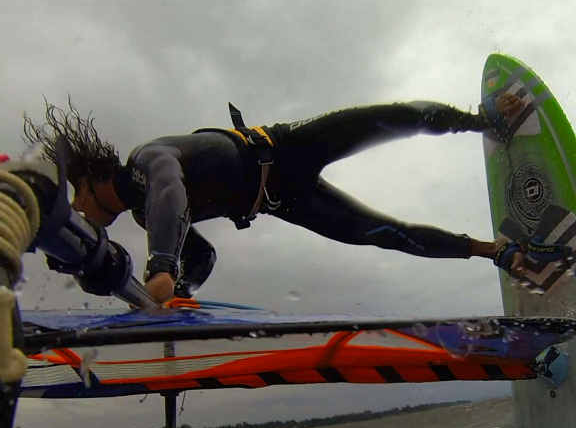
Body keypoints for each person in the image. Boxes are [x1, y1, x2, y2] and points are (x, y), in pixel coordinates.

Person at [22, 93, 565, 304]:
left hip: (282, 150)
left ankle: (486, 121)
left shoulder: (146, 158)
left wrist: (161, 265)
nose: (80, 215)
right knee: (385, 235)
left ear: (90, 180)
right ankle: (498, 252)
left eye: (76, 200)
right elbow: (204, 255)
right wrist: (181, 289)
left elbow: (171, 187)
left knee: (385, 121)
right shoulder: (145, 215)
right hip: (282, 201)